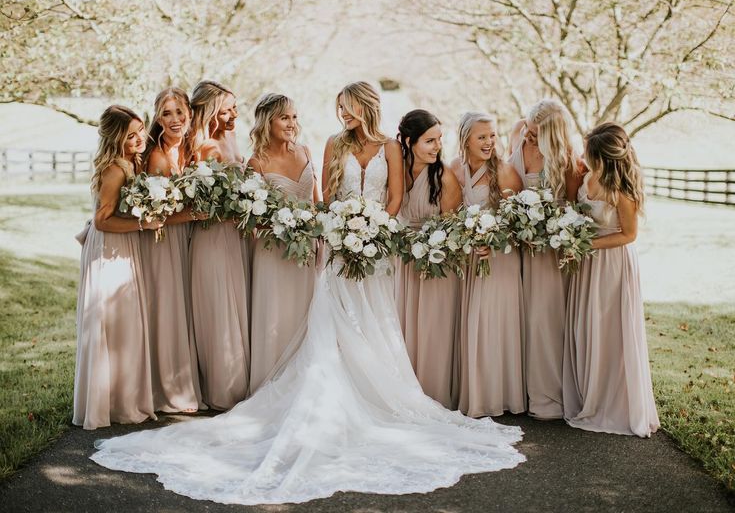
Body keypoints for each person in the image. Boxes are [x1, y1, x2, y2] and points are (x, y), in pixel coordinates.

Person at [91, 82, 524, 506]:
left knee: (377, 320)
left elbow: (393, 197)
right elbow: (329, 196)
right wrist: (345, 229)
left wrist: (371, 231)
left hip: (374, 247)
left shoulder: (390, 148)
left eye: (349, 109)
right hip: (340, 245)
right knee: (331, 322)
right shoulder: (333, 143)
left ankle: (379, 390)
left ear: (366, 108)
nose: (343, 117)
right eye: (339, 110)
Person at [563, 122, 660, 437]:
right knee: (588, 325)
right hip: (587, 264)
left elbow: (629, 235)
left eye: (588, 151)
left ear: (602, 158)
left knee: (610, 328)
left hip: (613, 264)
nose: (582, 155)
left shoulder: (622, 192)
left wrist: (587, 244)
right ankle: (589, 392)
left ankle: (613, 402)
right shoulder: (587, 176)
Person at [73, 105, 161, 430]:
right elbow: (102, 221)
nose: (140, 138)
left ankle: (121, 400)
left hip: (121, 246)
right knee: (111, 322)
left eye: (141, 131)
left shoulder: (130, 163)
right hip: (110, 248)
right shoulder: (115, 169)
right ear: (116, 136)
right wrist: (144, 224)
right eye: (132, 134)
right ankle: (108, 405)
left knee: (123, 323)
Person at [508, 99, 583, 419]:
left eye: (537, 133)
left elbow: (572, 207)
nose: (529, 135)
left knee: (542, 319)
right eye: (528, 127)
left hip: (546, 250)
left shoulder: (567, 158)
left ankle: (546, 395)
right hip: (512, 244)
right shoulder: (517, 132)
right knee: (513, 317)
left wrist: (544, 225)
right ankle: (513, 390)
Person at [451, 112, 525, 417]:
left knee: (494, 323)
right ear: (466, 139)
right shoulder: (454, 169)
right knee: (472, 324)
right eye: (482, 137)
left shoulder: (505, 173)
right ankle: (475, 393)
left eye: (493, 136)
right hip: (469, 258)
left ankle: (498, 395)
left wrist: (493, 242)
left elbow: (518, 224)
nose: (489, 142)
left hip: (500, 259)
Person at [247, 93, 319, 393]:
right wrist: (285, 224)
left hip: (307, 250)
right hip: (273, 252)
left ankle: (307, 383)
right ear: (268, 121)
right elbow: (251, 218)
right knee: (276, 316)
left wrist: (314, 229)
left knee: (308, 314)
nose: (292, 123)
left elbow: (316, 201)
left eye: (294, 117)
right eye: (284, 117)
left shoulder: (304, 151)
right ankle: (273, 386)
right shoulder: (256, 162)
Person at [140, 88, 205, 414]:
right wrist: (194, 214)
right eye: (167, 114)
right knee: (167, 308)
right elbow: (156, 214)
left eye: (180, 112)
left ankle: (184, 382)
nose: (175, 120)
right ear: (157, 118)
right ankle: (168, 390)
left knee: (184, 307)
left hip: (186, 239)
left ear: (190, 114)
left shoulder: (193, 151)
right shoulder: (156, 157)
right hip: (162, 242)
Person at [188, 80, 250, 410]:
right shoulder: (197, 144)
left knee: (236, 303)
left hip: (236, 235)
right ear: (210, 110)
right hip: (211, 235)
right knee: (218, 305)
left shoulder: (229, 137)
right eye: (228, 109)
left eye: (235, 108)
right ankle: (220, 388)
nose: (234, 114)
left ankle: (238, 383)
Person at [394, 109, 463, 409]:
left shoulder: (443, 177)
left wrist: (430, 247)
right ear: (409, 142)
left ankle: (433, 394)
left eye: (439, 140)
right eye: (429, 141)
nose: (437, 147)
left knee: (432, 328)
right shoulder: (394, 171)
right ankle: (404, 393)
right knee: (402, 327)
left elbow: (453, 228)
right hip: (401, 260)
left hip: (435, 264)